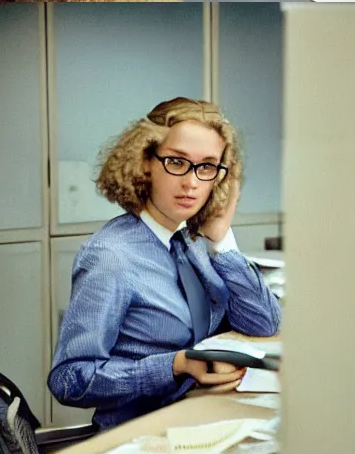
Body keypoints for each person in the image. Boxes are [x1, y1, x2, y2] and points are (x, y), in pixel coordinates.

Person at [48, 97, 281, 429]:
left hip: (199, 418)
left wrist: (222, 239)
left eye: (207, 167)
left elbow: (265, 323)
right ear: (145, 162)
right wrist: (175, 365)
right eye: (176, 162)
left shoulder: (193, 241)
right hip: (142, 436)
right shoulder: (112, 257)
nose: (192, 183)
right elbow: (69, 380)